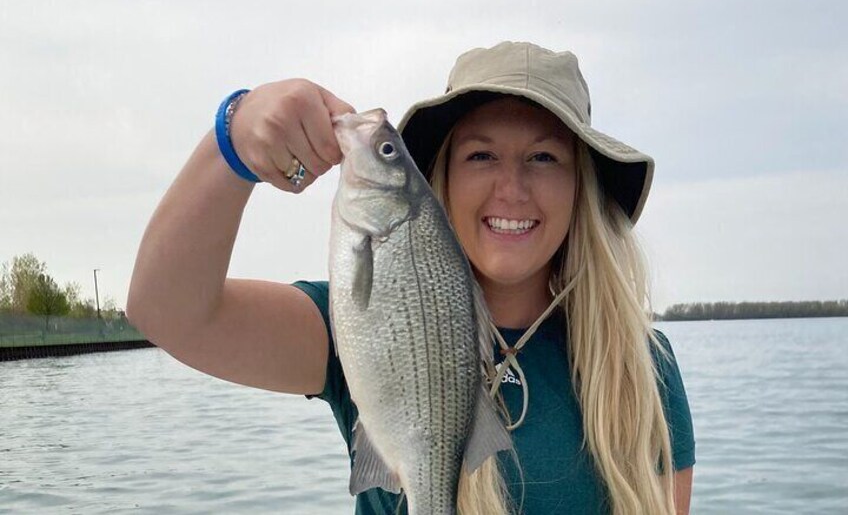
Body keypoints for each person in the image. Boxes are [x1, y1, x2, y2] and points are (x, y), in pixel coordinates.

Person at [127, 41, 695, 514]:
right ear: (439, 178)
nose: (512, 188)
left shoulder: (641, 369)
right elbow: (167, 311)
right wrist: (234, 139)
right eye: (481, 156)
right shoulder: (359, 326)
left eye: (543, 158)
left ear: (582, 187)